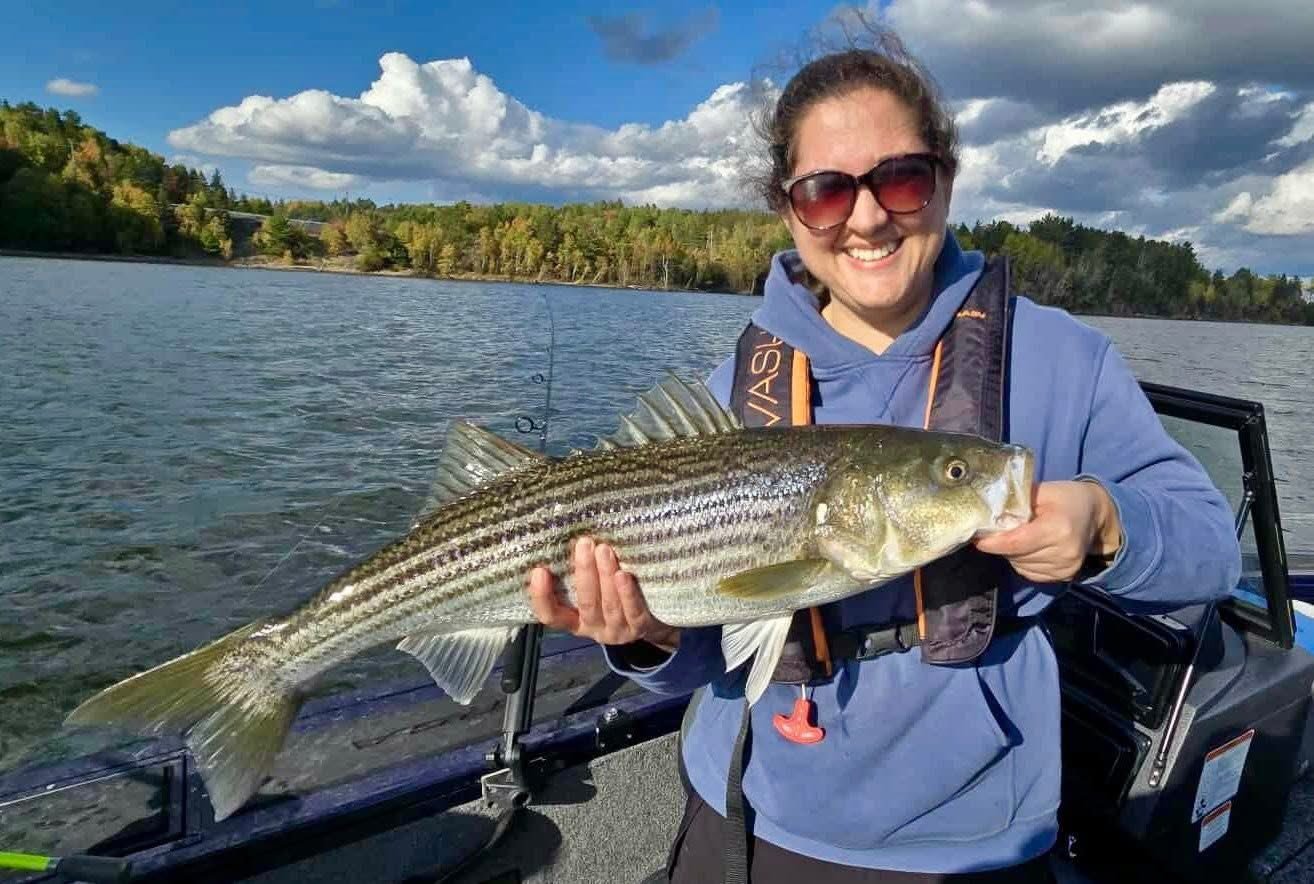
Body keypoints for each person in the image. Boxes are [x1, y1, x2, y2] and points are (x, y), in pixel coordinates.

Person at [526, 28, 1241, 884]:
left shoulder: (1062, 360)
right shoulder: (731, 390)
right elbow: (708, 653)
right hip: (752, 806)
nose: (867, 217)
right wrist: (643, 640)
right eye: (826, 192)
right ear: (789, 209)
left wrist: (1107, 526)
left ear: (944, 178)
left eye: (900, 178)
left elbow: (1210, 549)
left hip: (973, 831)